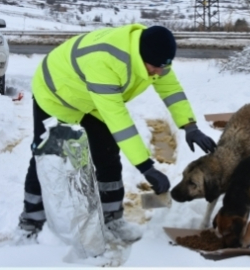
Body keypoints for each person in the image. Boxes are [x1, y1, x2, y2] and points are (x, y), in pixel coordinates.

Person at [18, 24, 217, 242]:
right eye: (155, 67)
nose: (159, 72)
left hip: (90, 99)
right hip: (57, 94)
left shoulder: (155, 55)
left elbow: (171, 89)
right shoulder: (106, 61)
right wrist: (146, 167)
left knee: (107, 153)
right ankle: (31, 220)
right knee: (47, 156)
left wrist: (190, 126)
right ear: (141, 57)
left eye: (164, 67)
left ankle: (111, 218)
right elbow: (119, 121)